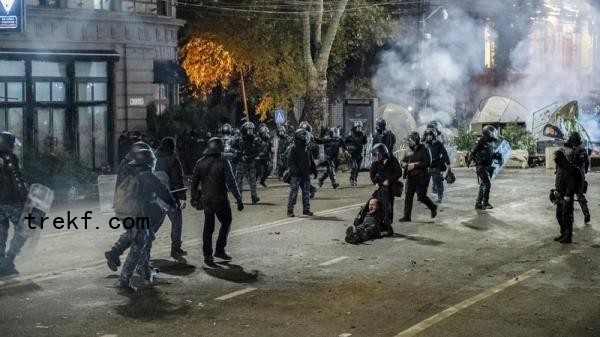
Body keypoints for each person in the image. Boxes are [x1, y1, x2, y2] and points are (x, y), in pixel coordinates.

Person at [115, 149, 177, 292]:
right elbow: (163, 192)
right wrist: (172, 204)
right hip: (139, 216)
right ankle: (124, 279)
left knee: (143, 239)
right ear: (149, 163)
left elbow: (145, 195)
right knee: (138, 245)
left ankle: (143, 269)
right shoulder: (148, 177)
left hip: (128, 214)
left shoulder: (132, 175)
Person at [190, 137, 244, 267]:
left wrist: (194, 198)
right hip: (220, 199)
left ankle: (207, 255)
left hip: (206, 199)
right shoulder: (224, 162)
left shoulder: (200, 162)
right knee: (226, 222)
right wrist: (238, 199)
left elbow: (194, 183)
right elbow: (231, 182)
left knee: (208, 227)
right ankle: (220, 249)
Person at [0, 132, 30, 276]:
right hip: (11, 201)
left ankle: (1, 264)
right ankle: (9, 261)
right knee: (24, 229)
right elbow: (16, 179)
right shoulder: (9, 158)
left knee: (0, 233)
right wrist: (26, 198)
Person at [154, 137, 187, 258]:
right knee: (177, 222)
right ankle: (176, 249)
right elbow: (177, 180)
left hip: (154, 197)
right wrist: (182, 197)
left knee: (154, 225)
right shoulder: (173, 159)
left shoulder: (153, 158)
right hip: (169, 197)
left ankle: (143, 248)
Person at [399, 132, 437, 222]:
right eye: (409, 140)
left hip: (421, 177)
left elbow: (427, 162)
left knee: (421, 196)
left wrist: (415, 165)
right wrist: (405, 165)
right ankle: (407, 216)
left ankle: (433, 207)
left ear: (416, 139)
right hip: (410, 177)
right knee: (408, 196)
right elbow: (401, 161)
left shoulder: (424, 149)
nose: (409, 142)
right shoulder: (407, 150)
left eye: (411, 140)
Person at [369, 143, 401, 234]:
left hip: (390, 188)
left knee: (388, 207)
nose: (376, 157)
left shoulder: (392, 160)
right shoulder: (376, 163)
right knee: (379, 206)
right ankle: (382, 224)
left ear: (383, 153)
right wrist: (375, 182)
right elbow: (372, 174)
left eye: (378, 155)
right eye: (375, 155)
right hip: (380, 188)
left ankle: (388, 223)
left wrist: (389, 180)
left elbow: (399, 172)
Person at [468, 125, 501, 210]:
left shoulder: (491, 143)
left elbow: (491, 155)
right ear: (489, 133)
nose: (494, 134)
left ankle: (478, 204)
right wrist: (470, 160)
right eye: (493, 132)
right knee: (487, 184)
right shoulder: (481, 141)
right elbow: (473, 152)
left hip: (487, 166)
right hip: (481, 166)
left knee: (483, 184)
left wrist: (497, 156)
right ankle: (485, 203)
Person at [551, 150, 581, 244]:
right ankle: (563, 233)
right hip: (559, 195)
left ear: (560, 157)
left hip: (566, 197)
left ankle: (568, 237)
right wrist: (555, 191)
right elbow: (559, 180)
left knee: (567, 217)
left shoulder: (567, 167)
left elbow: (571, 183)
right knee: (559, 215)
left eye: (556, 157)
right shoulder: (559, 166)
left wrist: (568, 195)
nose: (554, 159)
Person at [286, 129, 317, 217]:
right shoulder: (293, 148)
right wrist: (296, 171)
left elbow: (311, 160)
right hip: (296, 175)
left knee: (306, 193)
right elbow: (290, 162)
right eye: (303, 135)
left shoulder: (307, 148)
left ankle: (306, 209)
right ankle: (290, 210)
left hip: (305, 175)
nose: (305, 136)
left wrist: (314, 170)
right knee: (294, 193)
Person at [563, 132, 590, 224]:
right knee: (580, 196)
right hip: (581, 177)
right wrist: (584, 172)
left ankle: (571, 218)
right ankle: (586, 214)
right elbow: (587, 163)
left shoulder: (571, 151)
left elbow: (569, 165)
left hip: (572, 178)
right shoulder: (583, 150)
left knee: (569, 197)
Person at [232, 122, 261, 204]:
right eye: (249, 130)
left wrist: (252, 157)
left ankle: (254, 196)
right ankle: (239, 197)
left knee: (253, 180)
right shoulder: (238, 140)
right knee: (239, 180)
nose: (251, 132)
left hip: (251, 162)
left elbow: (257, 151)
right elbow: (232, 150)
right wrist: (240, 155)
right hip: (242, 162)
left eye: (251, 130)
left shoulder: (254, 140)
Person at [424, 128, 450, 203]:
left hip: (436, 167)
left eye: (430, 135)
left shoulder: (438, 144)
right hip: (427, 167)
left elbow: (444, 153)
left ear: (433, 135)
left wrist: (448, 164)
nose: (428, 137)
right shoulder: (425, 145)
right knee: (424, 183)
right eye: (427, 135)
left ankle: (440, 197)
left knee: (438, 183)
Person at [299, 121, 319, 199]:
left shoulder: (310, 137)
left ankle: (310, 190)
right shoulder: (300, 136)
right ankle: (311, 189)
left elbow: (314, 148)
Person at [345, 121, 368, 187]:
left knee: (358, 169)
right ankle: (352, 179)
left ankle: (355, 179)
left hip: (359, 154)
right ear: (355, 127)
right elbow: (345, 143)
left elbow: (364, 143)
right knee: (355, 167)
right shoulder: (351, 135)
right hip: (352, 154)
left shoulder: (362, 135)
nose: (359, 128)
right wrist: (346, 150)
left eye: (360, 127)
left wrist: (365, 137)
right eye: (358, 127)